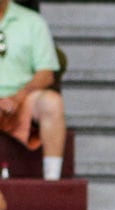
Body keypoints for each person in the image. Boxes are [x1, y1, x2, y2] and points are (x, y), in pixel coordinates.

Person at [0, 0, 66, 181]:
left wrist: (17, 97)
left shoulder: (33, 22)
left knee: (52, 102)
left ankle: (52, 181)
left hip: (23, 99)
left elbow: (46, 73)